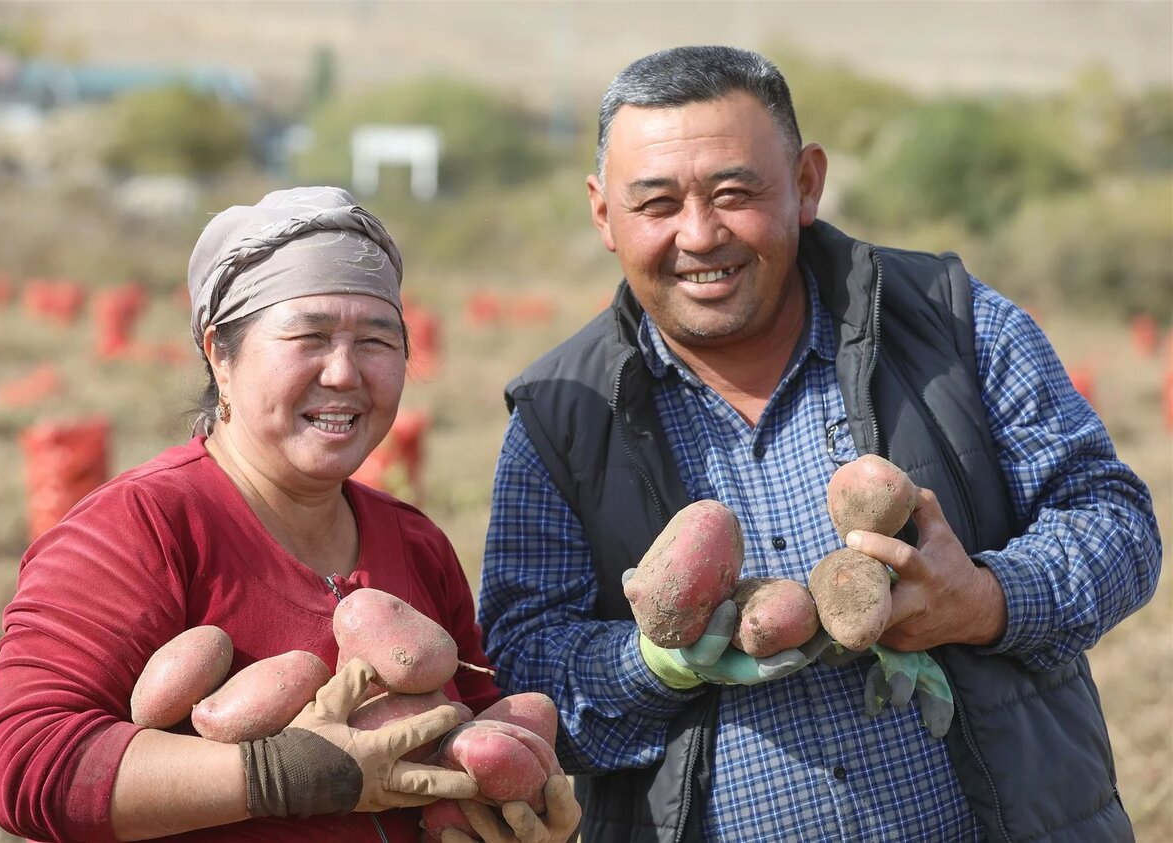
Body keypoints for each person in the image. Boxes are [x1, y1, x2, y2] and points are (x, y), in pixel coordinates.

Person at [477, 45, 1162, 843]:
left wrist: (983, 600)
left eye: (735, 193)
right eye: (656, 204)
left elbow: (1115, 521)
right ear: (602, 213)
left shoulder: (952, 322)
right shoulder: (559, 419)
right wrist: (654, 661)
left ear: (806, 183)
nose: (699, 235)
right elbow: (527, 667)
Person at [0, 186, 580, 843]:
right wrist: (280, 775)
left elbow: (470, 725)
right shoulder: (138, 526)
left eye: (378, 339)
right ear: (221, 356)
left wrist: (518, 807)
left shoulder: (417, 542)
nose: (345, 372)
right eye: (309, 336)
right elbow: (28, 764)